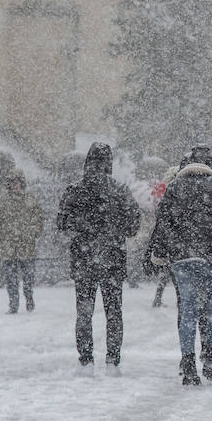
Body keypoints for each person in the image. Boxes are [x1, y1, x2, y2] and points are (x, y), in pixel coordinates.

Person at [148, 144, 212, 385]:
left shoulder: (175, 187)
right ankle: (210, 359)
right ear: (210, 165)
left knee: (187, 309)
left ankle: (188, 363)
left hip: (182, 258)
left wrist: (161, 250)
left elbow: (163, 222)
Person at [56, 143, 141, 370]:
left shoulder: (74, 190)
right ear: (110, 164)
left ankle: (85, 357)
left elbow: (62, 223)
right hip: (113, 259)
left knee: (84, 311)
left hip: (83, 260)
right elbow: (133, 226)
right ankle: (113, 357)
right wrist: (114, 229)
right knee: (114, 311)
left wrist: (83, 230)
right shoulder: (120, 190)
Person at [0, 169, 44, 313]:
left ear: (22, 183)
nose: (15, 185)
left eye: (17, 182)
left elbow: (39, 218)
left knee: (28, 278)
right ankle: (13, 304)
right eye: (12, 183)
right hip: (8, 247)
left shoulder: (30, 199)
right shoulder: (1, 202)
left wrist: (33, 232)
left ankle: (29, 297)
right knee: (10, 279)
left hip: (27, 246)